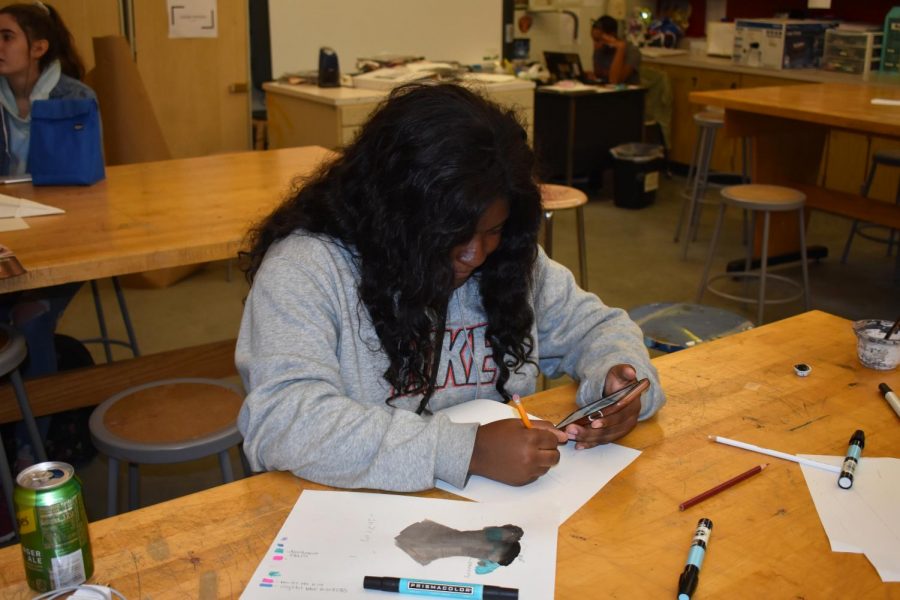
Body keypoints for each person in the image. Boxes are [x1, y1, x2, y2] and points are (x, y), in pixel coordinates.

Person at [237, 83, 665, 493]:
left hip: (499, 515)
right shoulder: (306, 269)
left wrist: (618, 377)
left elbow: (596, 326)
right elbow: (283, 420)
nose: (475, 255)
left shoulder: (507, 258)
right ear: (396, 217)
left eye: (493, 230)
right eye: (453, 234)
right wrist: (466, 451)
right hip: (350, 517)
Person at [0, 3, 95, 470]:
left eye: (6, 37)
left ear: (38, 48)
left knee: (30, 316)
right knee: (11, 311)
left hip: (63, 239)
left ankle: (31, 445)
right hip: (8, 238)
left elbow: (86, 183)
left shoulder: (76, 96)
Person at [591, 15, 641, 85]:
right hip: (605, 89)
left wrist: (620, 49)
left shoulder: (632, 51)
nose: (596, 44)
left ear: (611, 35)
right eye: (595, 40)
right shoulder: (601, 48)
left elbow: (615, 80)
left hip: (626, 93)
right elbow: (598, 74)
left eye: (599, 40)